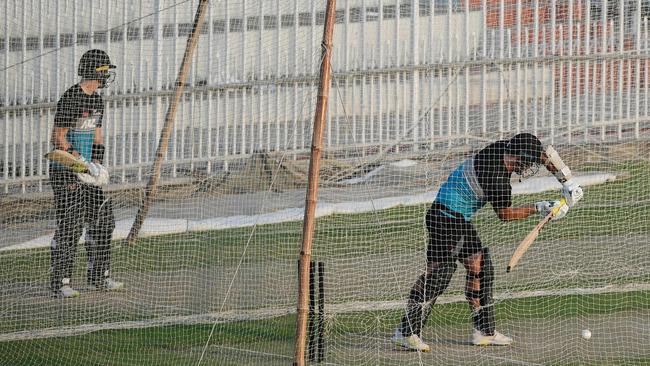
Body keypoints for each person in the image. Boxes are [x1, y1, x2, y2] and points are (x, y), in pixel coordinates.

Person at [392, 133, 584, 351]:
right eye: (528, 162)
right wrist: (540, 207)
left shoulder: (504, 148)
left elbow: (546, 155)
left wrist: (569, 182)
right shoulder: (497, 178)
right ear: (518, 157)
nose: (530, 167)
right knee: (439, 273)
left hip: (455, 218)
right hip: (444, 218)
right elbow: (505, 215)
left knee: (480, 268)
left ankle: (484, 332)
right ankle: (406, 332)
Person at [49, 49, 123, 298]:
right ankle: (61, 282)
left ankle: (99, 276)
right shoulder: (72, 97)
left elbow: (97, 136)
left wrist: (97, 166)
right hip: (66, 172)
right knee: (70, 225)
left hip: (88, 173)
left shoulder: (97, 99)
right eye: (104, 71)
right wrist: (81, 163)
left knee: (104, 220)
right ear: (94, 72)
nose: (107, 76)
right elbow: (58, 138)